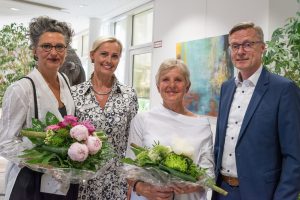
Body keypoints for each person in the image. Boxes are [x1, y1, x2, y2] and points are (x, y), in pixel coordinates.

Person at [212, 22, 300, 200]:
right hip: (221, 191)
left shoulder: (283, 89)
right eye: (235, 46)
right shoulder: (226, 88)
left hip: (261, 193)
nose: (240, 51)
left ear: (262, 48)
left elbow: (294, 155)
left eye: (247, 44)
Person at [0, 16, 78, 199]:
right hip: (29, 182)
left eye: (59, 47)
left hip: (61, 182)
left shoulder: (65, 81)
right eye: (46, 46)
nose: (54, 52)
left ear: (66, 51)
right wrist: (43, 162)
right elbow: (5, 143)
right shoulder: (21, 89)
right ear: (35, 50)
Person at [126, 58, 214, 200]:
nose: (171, 85)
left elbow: (208, 174)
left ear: (187, 86)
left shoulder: (202, 125)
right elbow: (129, 169)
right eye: (165, 79)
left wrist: (192, 185)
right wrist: (144, 189)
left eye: (178, 80)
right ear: (157, 86)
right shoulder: (142, 120)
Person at [71, 36, 138, 199]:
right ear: (92, 55)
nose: (109, 60)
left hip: (117, 182)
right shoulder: (74, 94)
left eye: (114, 56)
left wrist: (134, 182)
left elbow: (134, 141)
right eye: (104, 54)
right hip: (82, 181)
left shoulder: (129, 95)